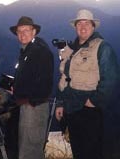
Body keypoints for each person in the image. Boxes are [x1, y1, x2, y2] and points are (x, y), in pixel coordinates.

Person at [55, 9, 120, 159]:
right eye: (79, 23)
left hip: (89, 110)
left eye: (87, 23)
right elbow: (64, 77)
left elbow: (111, 78)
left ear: (93, 26)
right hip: (71, 109)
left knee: (91, 153)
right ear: (75, 27)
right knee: (77, 150)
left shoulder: (102, 47)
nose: (82, 26)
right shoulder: (70, 49)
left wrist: (94, 101)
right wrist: (60, 102)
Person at [9, 16, 54, 159]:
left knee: (30, 149)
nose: (22, 34)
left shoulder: (40, 51)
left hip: (33, 107)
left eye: (26, 30)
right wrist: (16, 88)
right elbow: (30, 78)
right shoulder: (28, 50)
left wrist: (30, 100)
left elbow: (44, 82)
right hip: (28, 105)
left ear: (34, 31)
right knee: (28, 147)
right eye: (19, 31)